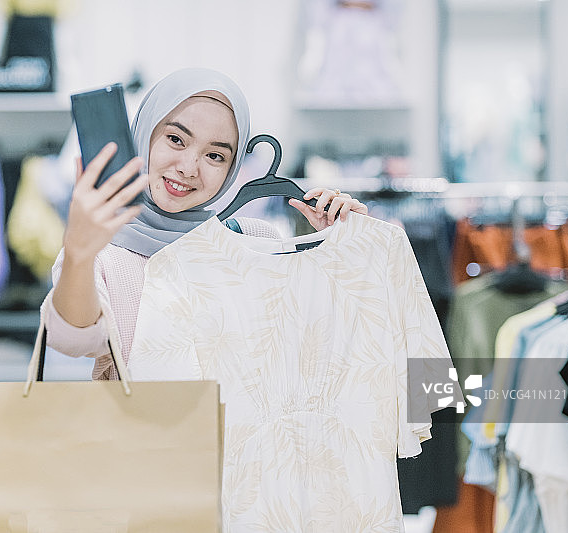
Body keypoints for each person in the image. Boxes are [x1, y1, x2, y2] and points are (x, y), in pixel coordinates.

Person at [43, 67, 368, 378]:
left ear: (233, 167)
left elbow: (326, 346)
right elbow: (72, 342)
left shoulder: (257, 241)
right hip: (139, 435)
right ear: (144, 134)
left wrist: (347, 252)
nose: (188, 167)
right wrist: (78, 255)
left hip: (245, 437)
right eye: (176, 139)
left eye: (215, 156)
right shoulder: (103, 252)